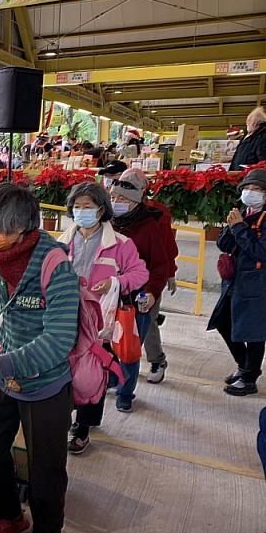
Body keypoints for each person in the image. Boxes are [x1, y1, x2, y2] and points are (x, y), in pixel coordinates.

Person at [0, 183, 79, 533]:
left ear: (20, 229)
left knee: (45, 470)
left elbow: (58, 341)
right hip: (7, 373)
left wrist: (0, 366)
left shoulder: (57, 267)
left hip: (45, 383)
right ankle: (11, 517)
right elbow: (4, 290)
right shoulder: (7, 255)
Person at [58, 182, 149, 453]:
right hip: (64, 315)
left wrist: (114, 283)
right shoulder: (62, 241)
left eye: (87, 207)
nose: (81, 212)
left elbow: (140, 274)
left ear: (101, 210)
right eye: (77, 207)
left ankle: (83, 427)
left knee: (91, 373)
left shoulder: (121, 244)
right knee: (62, 369)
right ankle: (63, 416)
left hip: (99, 319)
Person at [109, 173, 173, 412]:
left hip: (137, 299)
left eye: (120, 198)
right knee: (108, 344)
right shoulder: (108, 223)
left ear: (135, 202)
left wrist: (151, 292)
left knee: (129, 348)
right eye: (112, 197)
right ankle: (113, 379)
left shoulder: (149, 226)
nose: (115, 202)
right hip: (109, 295)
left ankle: (126, 393)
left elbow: (160, 265)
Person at [207, 169, 266, 396]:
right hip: (235, 282)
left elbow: (261, 252)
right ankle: (244, 366)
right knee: (224, 321)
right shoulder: (243, 212)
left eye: (258, 190)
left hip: (257, 284)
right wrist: (232, 226)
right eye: (247, 189)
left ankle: (249, 378)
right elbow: (224, 244)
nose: (251, 193)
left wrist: (240, 227)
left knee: (253, 331)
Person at [119, 168, 179, 384]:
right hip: (120, 282)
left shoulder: (156, 213)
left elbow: (165, 249)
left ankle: (156, 360)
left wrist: (169, 273)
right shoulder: (113, 214)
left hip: (148, 280)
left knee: (148, 322)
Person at [230, 107, 266, 171]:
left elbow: (263, 162)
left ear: (254, 123)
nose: (247, 123)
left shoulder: (262, 138)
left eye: (249, 121)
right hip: (240, 174)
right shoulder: (248, 136)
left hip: (251, 177)